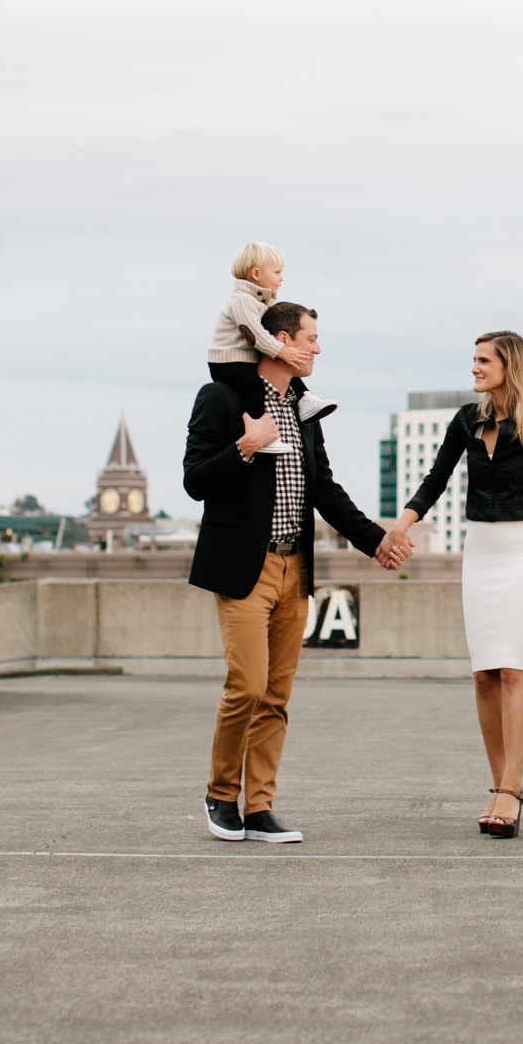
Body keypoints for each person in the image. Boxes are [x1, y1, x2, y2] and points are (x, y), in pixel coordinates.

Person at [184, 300, 408, 843]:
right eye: (310, 337)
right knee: (248, 686)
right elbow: (194, 480)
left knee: (277, 696)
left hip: (295, 567)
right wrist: (244, 447)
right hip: (246, 566)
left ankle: (259, 808)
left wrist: (376, 541)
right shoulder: (222, 398)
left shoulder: (305, 407)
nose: (317, 348)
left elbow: (324, 489)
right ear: (278, 340)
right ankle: (220, 797)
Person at [379, 331, 523, 837]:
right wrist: (398, 529)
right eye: (472, 360)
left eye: (482, 360)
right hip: (482, 551)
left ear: (509, 365)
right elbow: (435, 479)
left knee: (513, 669)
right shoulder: (466, 420)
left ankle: (511, 790)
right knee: (483, 675)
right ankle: (499, 784)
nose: (473, 368)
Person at [206, 241, 336, 435]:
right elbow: (254, 334)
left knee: (289, 371)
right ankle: (258, 428)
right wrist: (281, 351)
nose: (281, 278)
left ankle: (305, 398)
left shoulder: (262, 300)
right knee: (255, 386)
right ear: (256, 274)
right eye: (276, 273)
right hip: (228, 362)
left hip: (246, 358)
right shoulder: (241, 300)